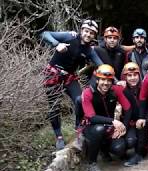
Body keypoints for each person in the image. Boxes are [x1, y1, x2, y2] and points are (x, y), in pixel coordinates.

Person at [41, 19, 103, 150]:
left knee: (80, 99)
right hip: (53, 73)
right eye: (86, 31)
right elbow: (45, 33)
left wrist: (115, 80)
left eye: (92, 33)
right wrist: (56, 44)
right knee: (54, 106)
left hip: (69, 76)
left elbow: (101, 65)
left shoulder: (89, 50)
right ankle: (59, 137)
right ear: (81, 30)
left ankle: (78, 127)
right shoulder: (69, 36)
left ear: (94, 36)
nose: (88, 35)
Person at [81, 64, 133, 171]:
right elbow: (91, 117)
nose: (106, 83)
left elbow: (128, 109)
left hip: (109, 127)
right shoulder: (88, 93)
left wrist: (123, 127)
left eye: (109, 80)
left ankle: (104, 149)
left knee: (120, 149)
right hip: (91, 126)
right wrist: (113, 121)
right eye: (103, 80)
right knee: (99, 129)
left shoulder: (116, 90)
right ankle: (92, 162)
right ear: (97, 79)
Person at [120, 62, 148, 166]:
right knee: (130, 141)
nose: (132, 78)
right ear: (125, 77)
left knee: (142, 124)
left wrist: (144, 118)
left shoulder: (145, 87)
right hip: (129, 121)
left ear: (139, 75)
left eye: (135, 75)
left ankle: (139, 153)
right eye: (129, 75)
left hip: (142, 120)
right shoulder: (122, 89)